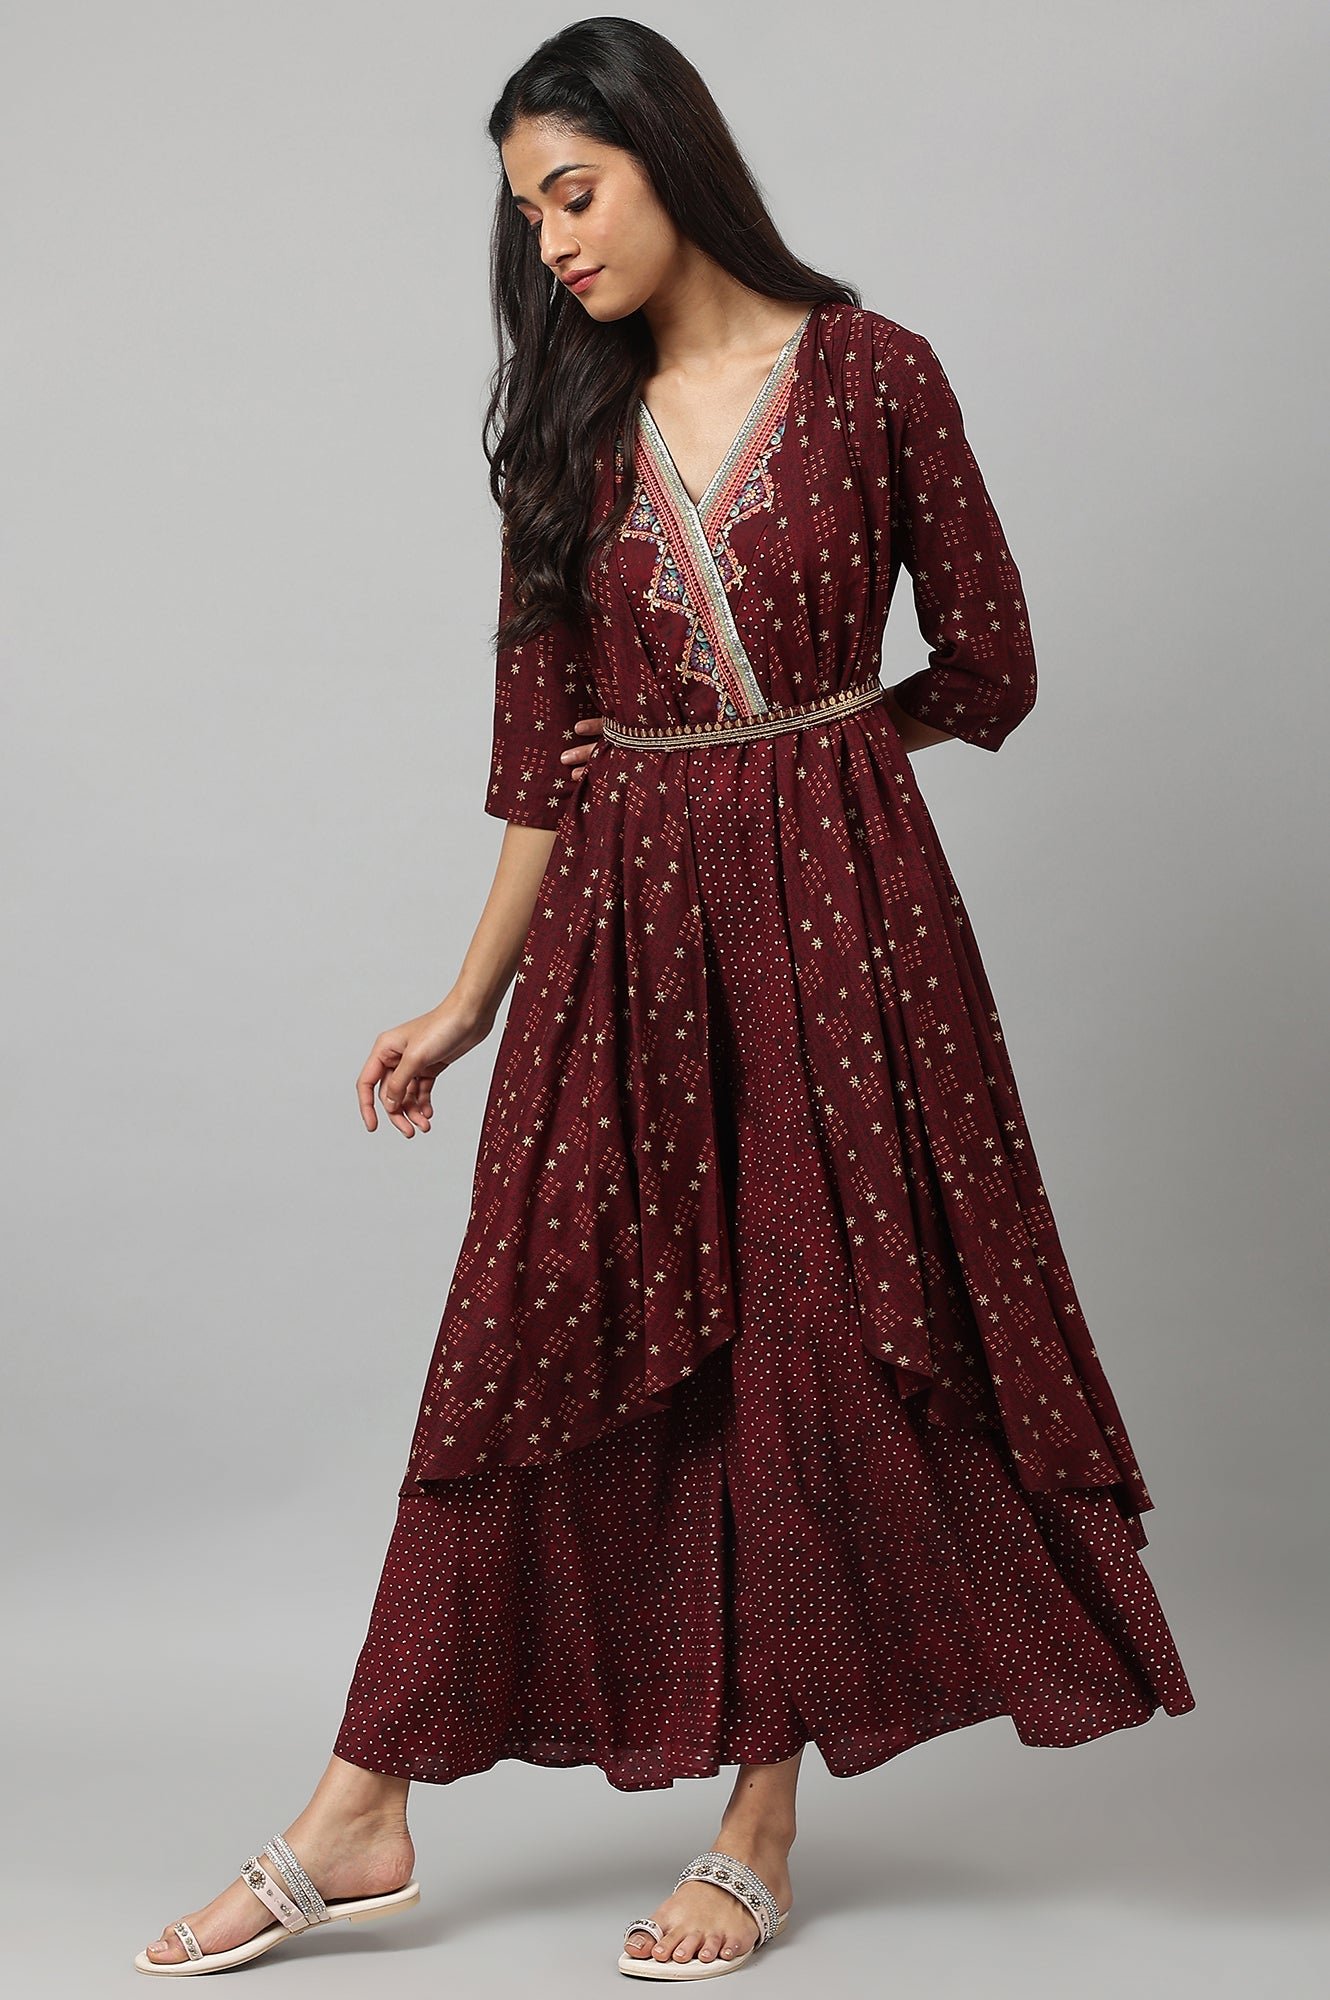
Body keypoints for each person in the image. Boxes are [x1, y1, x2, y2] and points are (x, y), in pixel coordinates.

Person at [136, 16, 1196, 1981]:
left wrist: (815, 764)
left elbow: (989, 661)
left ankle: (754, 1817)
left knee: (806, 1338)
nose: (550, 241)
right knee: (516, 1339)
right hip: (620, 933)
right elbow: (540, 762)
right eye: (526, 213)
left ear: (668, 158)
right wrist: (461, 1003)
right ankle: (362, 1803)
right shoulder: (567, 425)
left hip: (839, 933)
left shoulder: (875, 374)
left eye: (574, 191)